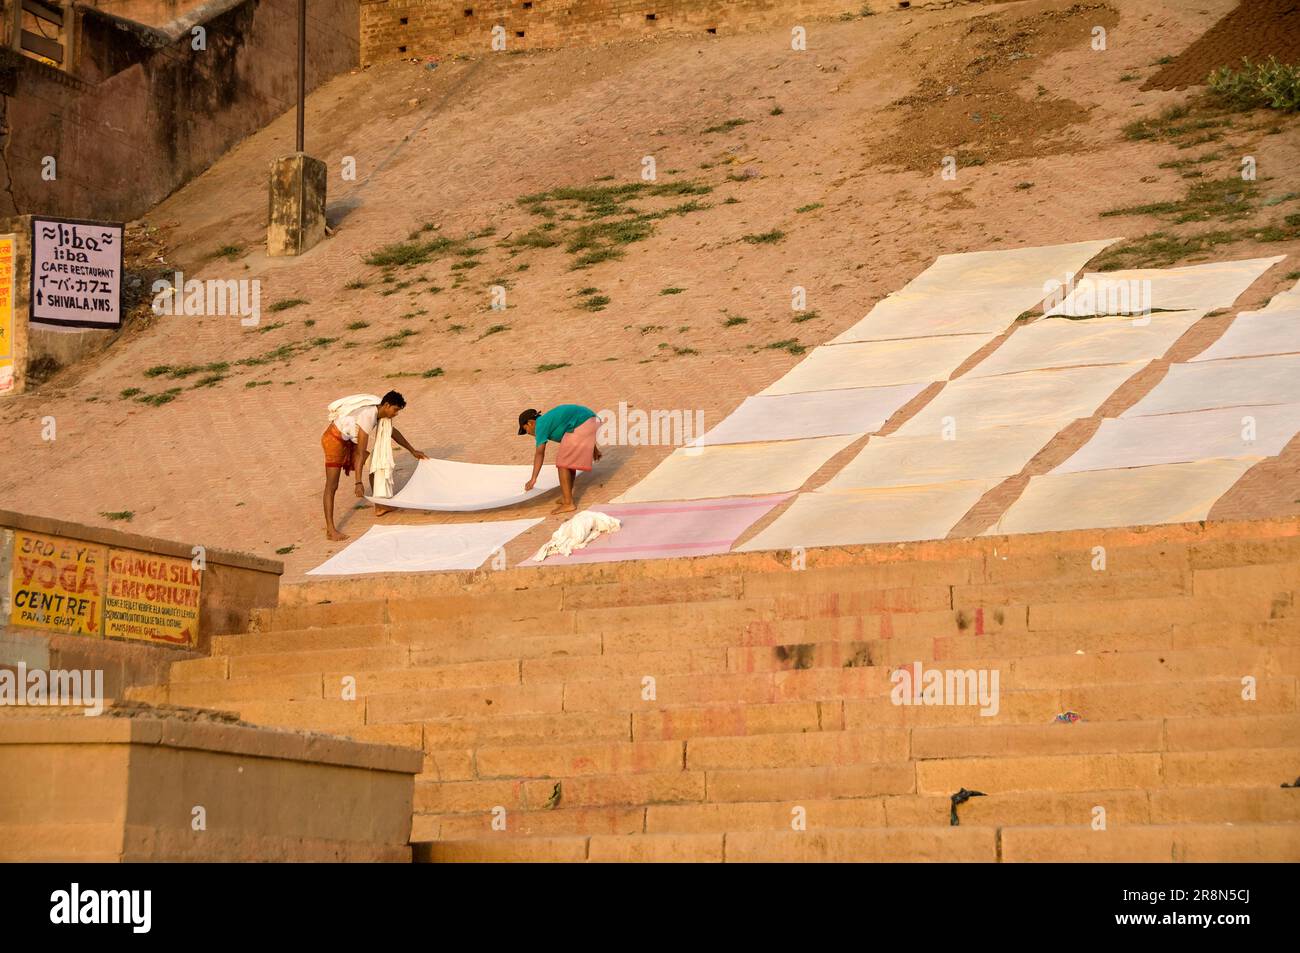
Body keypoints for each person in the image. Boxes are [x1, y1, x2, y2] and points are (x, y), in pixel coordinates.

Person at [321, 391, 427, 540]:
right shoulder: (368, 416)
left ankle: (380, 505)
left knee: (374, 465)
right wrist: (358, 482)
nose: (395, 414)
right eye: (395, 410)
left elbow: (393, 432)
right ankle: (330, 530)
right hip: (334, 441)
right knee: (332, 486)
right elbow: (359, 453)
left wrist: (412, 450)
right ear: (387, 405)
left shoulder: (380, 409)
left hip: (349, 439)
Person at [518, 404, 602, 514]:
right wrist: (594, 449)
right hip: (591, 421)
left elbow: (539, 453)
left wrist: (533, 479)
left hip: (584, 423)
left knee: (563, 464)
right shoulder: (547, 421)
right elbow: (579, 418)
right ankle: (566, 497)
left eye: (526, 430)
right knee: (568, 462)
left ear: (530, 423)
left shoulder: (540, 425)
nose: (528, 433)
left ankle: (568, 503)